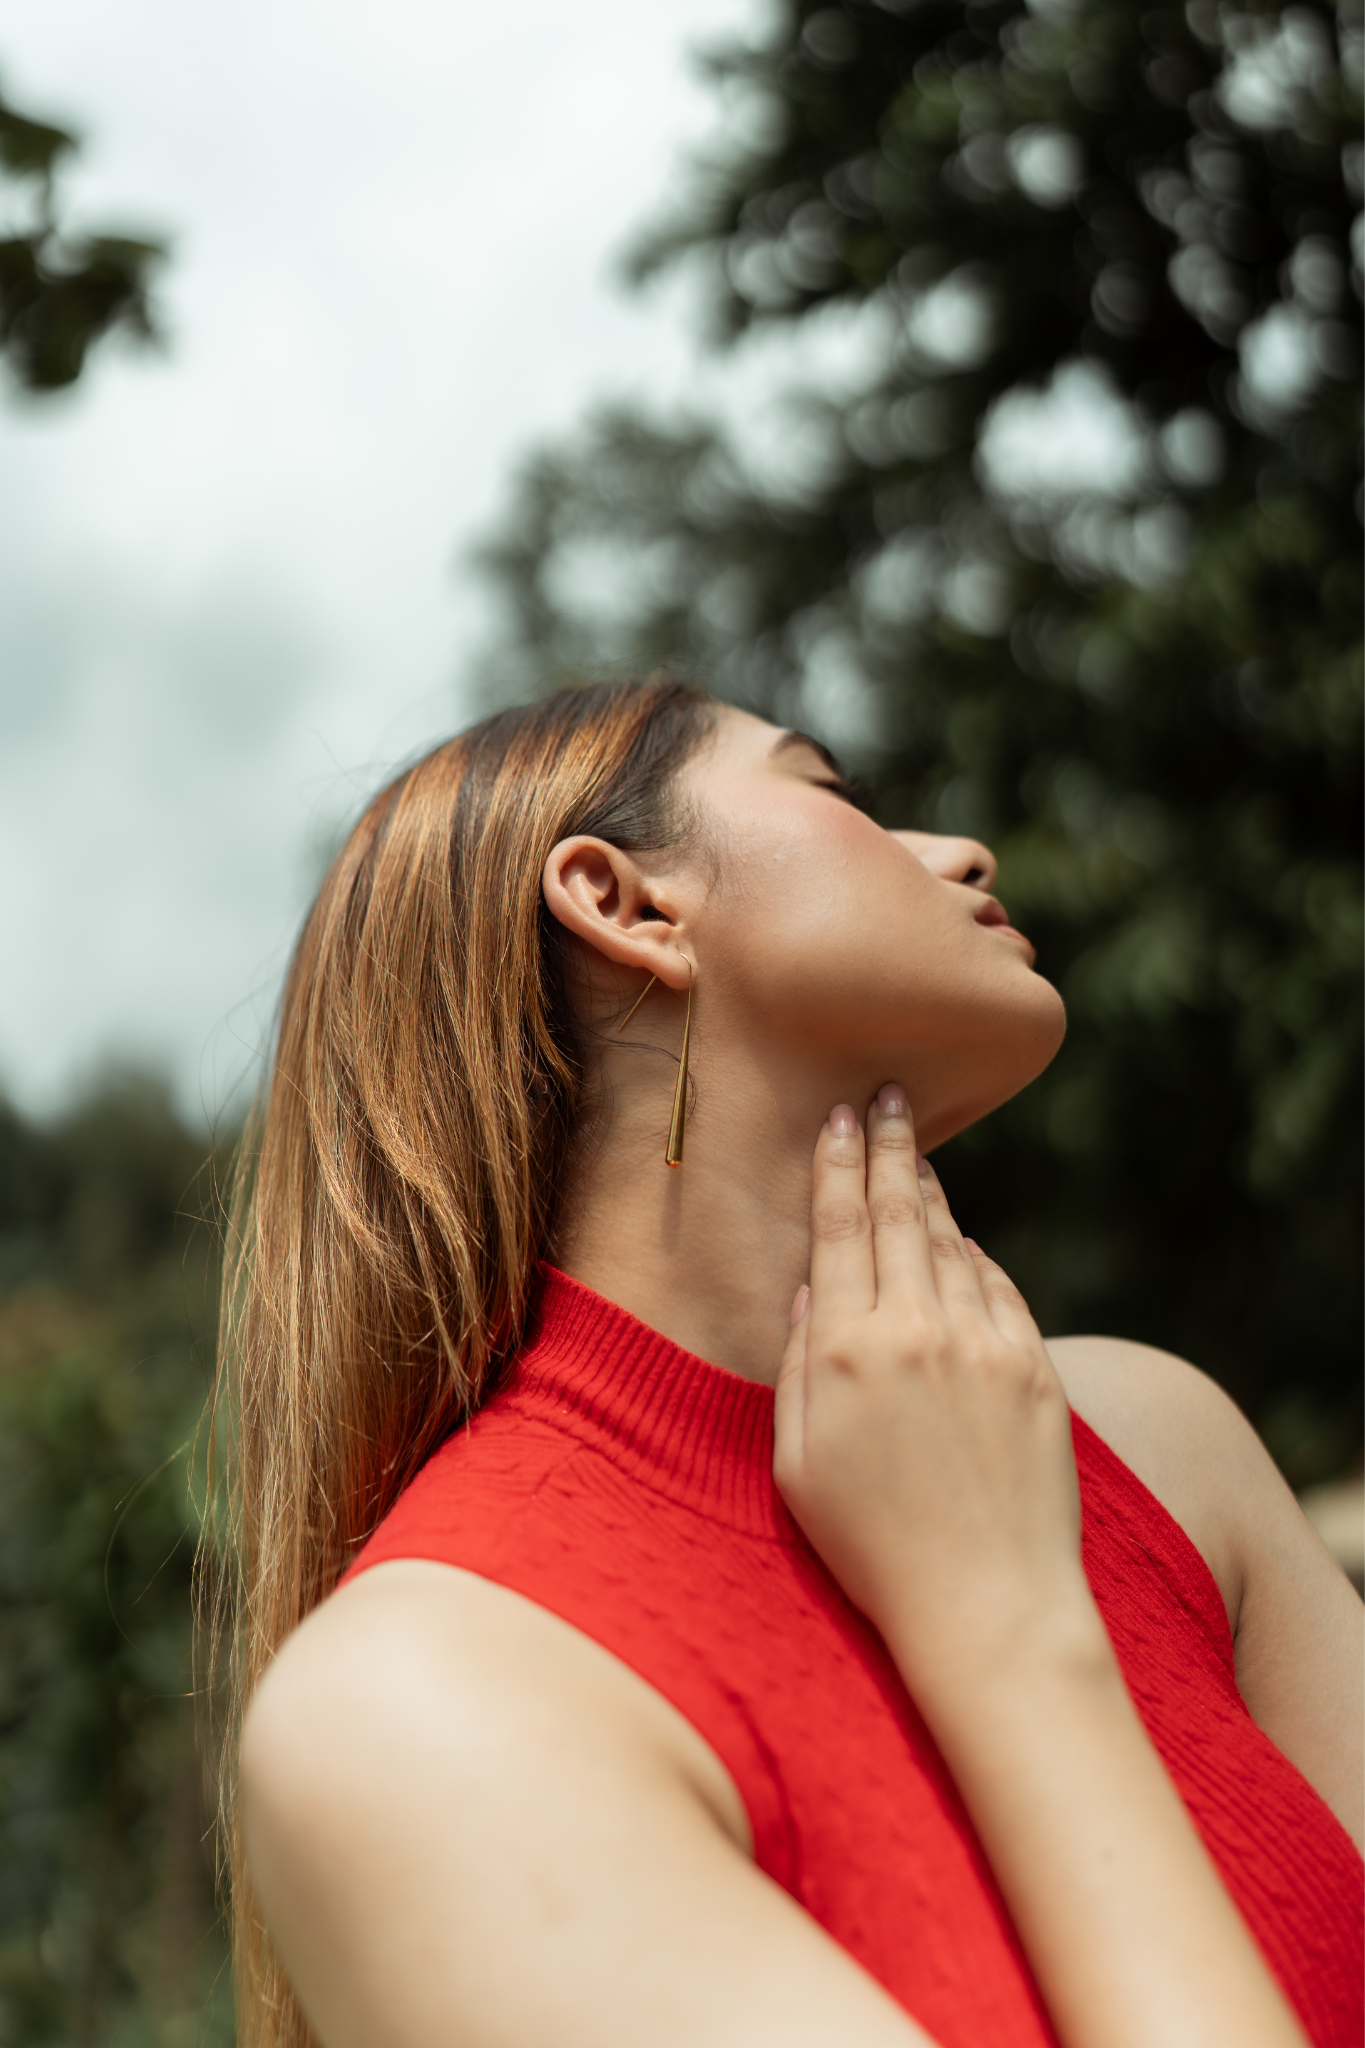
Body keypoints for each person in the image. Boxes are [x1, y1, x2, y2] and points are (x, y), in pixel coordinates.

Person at [216, 679, 1363, 2048]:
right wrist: (1005, 1619)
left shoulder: (1166, 1443)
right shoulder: (425, 1702)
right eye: (831, 790)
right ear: (625, 902)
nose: (963, 853)